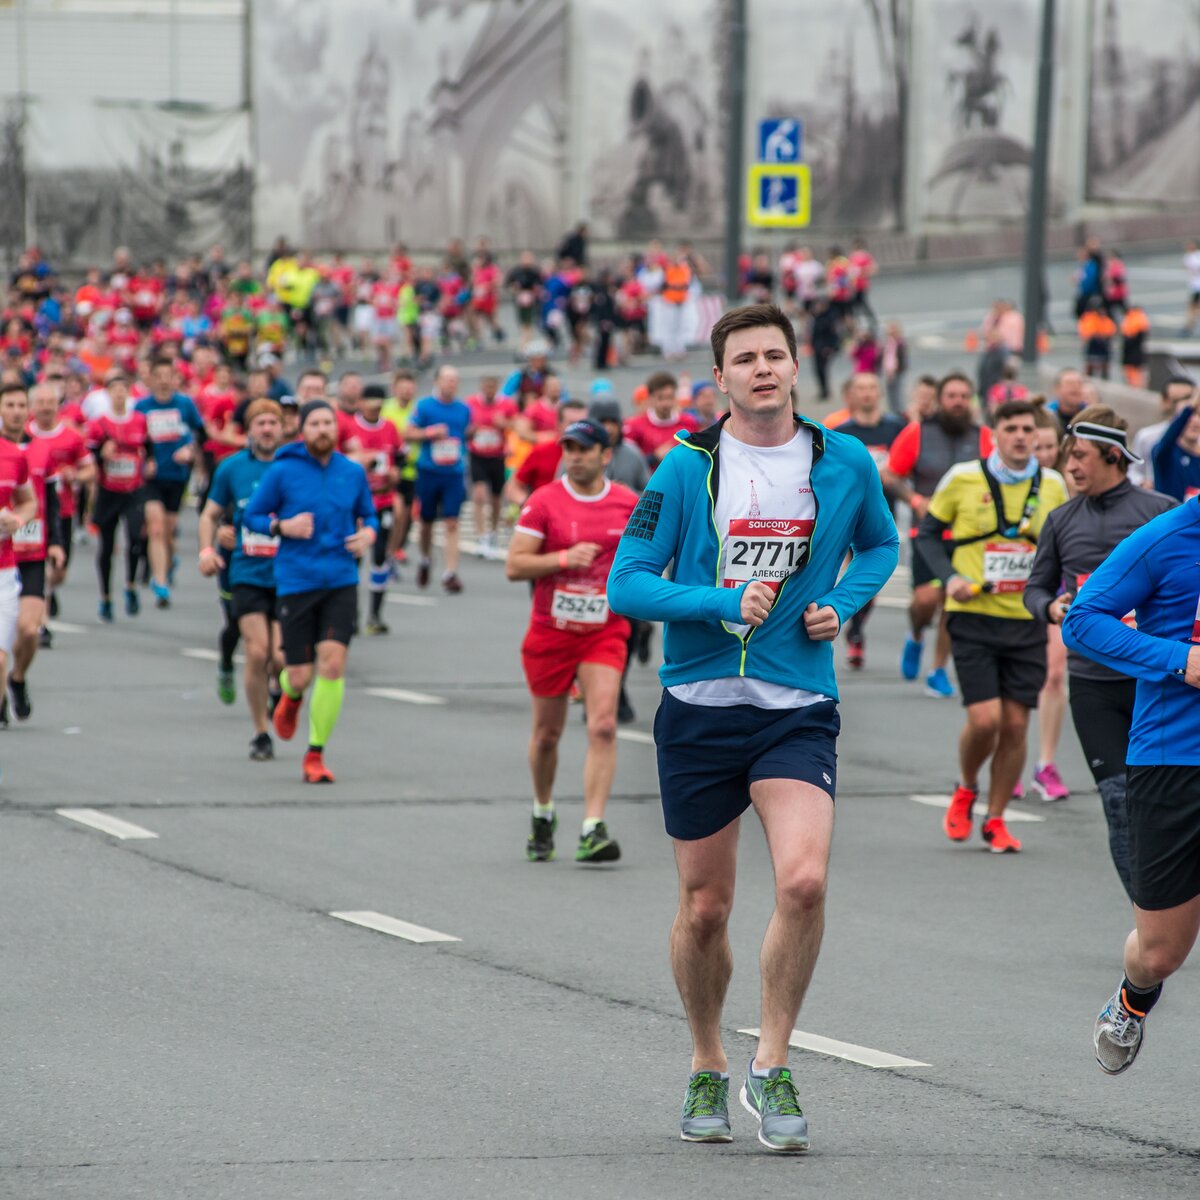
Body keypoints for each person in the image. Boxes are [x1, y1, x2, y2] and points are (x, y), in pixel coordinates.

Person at [608, 303, 898, 1152]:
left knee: (803, 882)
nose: (763, 369)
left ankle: (771, 1063)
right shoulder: (684, 466)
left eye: (776, 355)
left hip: (795, 709)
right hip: (698, 709)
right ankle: (707, 1060)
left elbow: (880, 546)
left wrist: (839, 604)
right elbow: (629, 582)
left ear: (797, 368)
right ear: (721, 377)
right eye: (746, 359)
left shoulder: (843, 460)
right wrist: (719, 603)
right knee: (705, 908)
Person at [1062, 491, 1199, 1077]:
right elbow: (1083, 621)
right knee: (1161, 951)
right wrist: (1178, 658)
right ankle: (1132, 998)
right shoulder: (1166, 539)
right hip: (1174, 759)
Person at [1026, 408, 1176, 894]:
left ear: (1113, 455)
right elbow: (1035, 588)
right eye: (1068, 455)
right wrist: (1051, 608)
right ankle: (1145, 913)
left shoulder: (1159, 513)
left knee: (1166, 803)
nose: (1069, 466)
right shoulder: (1061, 518)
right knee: (1118, 803)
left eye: (1080, 456)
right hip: (1093, 685)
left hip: (1154, 681)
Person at [918, 399, 1069, 854]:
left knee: (1017, 726)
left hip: (1026, 618)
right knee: (985, 721)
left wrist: (1064, 591)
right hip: (973, 616)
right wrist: (951, 579)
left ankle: (997, 818)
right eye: (1012, 428)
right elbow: (926, 535)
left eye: (1028, 428)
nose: (1021, 436)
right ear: (995, 434)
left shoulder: (1055, 485)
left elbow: (1064, 546)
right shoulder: (963, 478)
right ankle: (966, 787)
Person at [505, 419, 638, 864]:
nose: (575, 456)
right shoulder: (544, 501)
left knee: (602, 724)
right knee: (547, 735)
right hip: (551, 632)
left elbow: (650, 557)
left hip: (604, 629)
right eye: (569, 448)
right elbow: (515, 564)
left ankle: (592, 827)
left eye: (584, 449)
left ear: (605, 454)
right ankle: (543, 811)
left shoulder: (626, 503)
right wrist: (562, 558)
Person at [243, 401, 378, 784]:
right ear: (302, 430)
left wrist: (367, 534)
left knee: (333, 665)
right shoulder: (283, 471)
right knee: (298, 674)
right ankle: (290, 695)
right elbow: (251, 516)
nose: (323, 430)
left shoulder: (351, 472)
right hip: (297, 581)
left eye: (328, 424)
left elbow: (368, 514)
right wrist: (282, 526)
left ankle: (315, 754)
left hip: (340, 580)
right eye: (315, 423)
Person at [883, 373, 994, 698]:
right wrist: (915, 500)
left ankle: (938, 670)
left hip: (968, 537)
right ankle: (916, 633)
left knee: (951, 601)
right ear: (941, 400)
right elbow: (889, 473)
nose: (958, 401)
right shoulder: (918, 432)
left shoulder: (984, 437)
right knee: (925, 600)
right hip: (928, 532)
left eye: (964, 396)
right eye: (952, 396)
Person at [198, 399, 286, 761]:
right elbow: (209, 514)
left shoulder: (295, 466)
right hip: (246, 573)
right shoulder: (232, 468)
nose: (266, 429)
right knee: (257, 651)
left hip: (288, 574)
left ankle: (278, 694)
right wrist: (208, 549)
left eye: (272, 423)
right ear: (248, 430)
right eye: (260, 423)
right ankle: (261, 732)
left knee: (281, 660)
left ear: (283, 429)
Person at [830, 373, 906, 668]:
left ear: (879, 394)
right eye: (860, 388)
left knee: (872, 581)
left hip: (885, 512)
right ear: (850, 395)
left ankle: (855, 627)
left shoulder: (896, 428)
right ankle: (856, 631)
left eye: (872, 388)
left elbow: (908, 462)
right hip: (850, 513)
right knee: (856, 573)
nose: (867, 394)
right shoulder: (840, 432)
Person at [1, 384, 62, 721]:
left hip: (32, 550)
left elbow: (49, 502)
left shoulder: (40, 450)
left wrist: (57, 543)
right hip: (5, 554)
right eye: (8, 404)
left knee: (29, 630)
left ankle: (18, 677)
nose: (15, 410)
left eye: (20, 404)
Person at [24, 380, 94, 639]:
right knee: (37, 567)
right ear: (32, 406)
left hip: (61, 511)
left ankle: (45, 592)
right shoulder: (21, 436)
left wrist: (75, 475)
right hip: (29, 517)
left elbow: (90, 470)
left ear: (58, 406)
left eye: (50, 403)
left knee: (59, 571)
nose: (45, 408)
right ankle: (42, 622)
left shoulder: (71, 436)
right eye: (40, 403)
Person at [136, 358, 204, 607]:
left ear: (175, 378)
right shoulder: (141, 407)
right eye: (159, 375)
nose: (164, 380)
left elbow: (201, 435)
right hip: (151, 478)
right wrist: (143, 460)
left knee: (169, 532)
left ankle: (169, 560)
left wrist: (190, 450)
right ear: (151, 379)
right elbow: (133, 441)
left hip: (176, 476)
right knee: (155, 528)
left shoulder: (185, 404)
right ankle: (161, 583)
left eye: (169, 375)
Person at [86, 372, 149, 621]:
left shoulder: (140, 421)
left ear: (129, 392)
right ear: (108, 394)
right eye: (115, 390)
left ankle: (130, 586)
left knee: (135, 538)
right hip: (107, 491)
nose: (120, 394)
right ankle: (106, 597)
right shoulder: (98, 423)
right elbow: (87, 457)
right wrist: (102, 453)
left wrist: (150, 462)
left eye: (124, 389)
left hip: (133, 490)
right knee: (107, 546)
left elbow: (149, 447)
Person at [344, 383, 403, 633]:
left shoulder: (389, 427)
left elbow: (399, 459)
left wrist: (393, 474)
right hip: (356, 502)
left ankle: (375, 615)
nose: (375, 404)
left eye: (380, 399)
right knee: (354, 559)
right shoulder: (349, 427)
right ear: (361, 402)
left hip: (383, 500)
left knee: (380, 557)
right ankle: (351, 615)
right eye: (370, 399)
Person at [409, 365, 471, 593]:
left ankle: (450, 573)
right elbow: (408, 432)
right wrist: (428, 433)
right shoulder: (424, 406)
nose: (451, 384)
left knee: (452, 522)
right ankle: (425, 558)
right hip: (428, 471)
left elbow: (466, 434)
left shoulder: (463, 409)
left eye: (455, 380)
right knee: (426, 523)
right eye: (447, 380)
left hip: (454, 472)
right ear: (437, 381)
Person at [0, 396, 38, 733]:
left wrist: (17, 519)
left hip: (4, 570)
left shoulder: (14, 455)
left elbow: (29, 502)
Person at [467, 375, 515, 560]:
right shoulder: (471, 403)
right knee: (479, 494)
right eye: (486, 386)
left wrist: (505, 424)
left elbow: (518, 424)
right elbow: (463, 427)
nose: (489, 389)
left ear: (496, 387)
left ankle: (493, 533)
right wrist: (471, 431)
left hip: (497, 455)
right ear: (481, 386)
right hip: (477, 454)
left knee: (496, 498)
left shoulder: (507, 404)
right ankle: (481, 536)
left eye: (492, 386)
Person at [1129, 377, 1195, 488]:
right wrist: (1143, 482)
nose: (1184, 404)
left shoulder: (1195, 438)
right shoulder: (1148, 437)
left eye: (1188, 398)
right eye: (1175, 400)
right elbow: (1132, 471)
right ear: (1164, 401)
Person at [622, 372, 699, 466]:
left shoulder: (689, 422)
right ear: (650, 398)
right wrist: (653, 457)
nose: (666, 403)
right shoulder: (634, 425)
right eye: (660, 398)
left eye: (670, 397)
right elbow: (627, 463)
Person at [1150, 389, 1200, 501]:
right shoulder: (1165, 454)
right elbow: (1165, 443)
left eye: (1199, 415)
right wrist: (1189, 408)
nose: (1194, 420)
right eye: (1189, 415)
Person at [1182, 239, 1200, 336]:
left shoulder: (1196, 256)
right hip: (1194, 286)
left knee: (1192, 309)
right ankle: (1188, 327)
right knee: (1192, 308)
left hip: (1197, 286)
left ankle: (1188, 327)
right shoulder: (1188, 257)